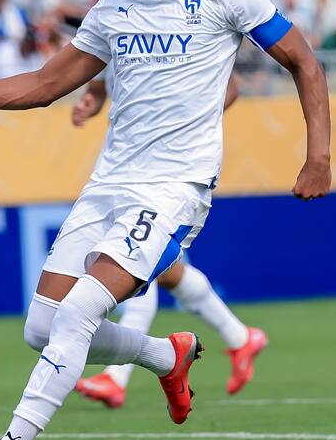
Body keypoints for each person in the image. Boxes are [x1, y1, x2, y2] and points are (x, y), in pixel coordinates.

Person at [0, 0, 331, 440]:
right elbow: (40, 85)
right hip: (107, 186)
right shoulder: (111, 11)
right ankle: (166, 355)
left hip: (176, 189)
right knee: (41, 327)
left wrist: (319, 154)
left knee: (82, 309)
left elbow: (304, 61)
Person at [69, 75, 269, 408]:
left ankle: (115, 378)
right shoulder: (118, 25)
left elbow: (229, 86)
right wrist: (93, 96)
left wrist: (184, 126)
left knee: (133, 261)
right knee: (162, 269)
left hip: (171, 171)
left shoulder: (186, 30)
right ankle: (240, 336)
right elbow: (108, 63)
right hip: (130, 166)